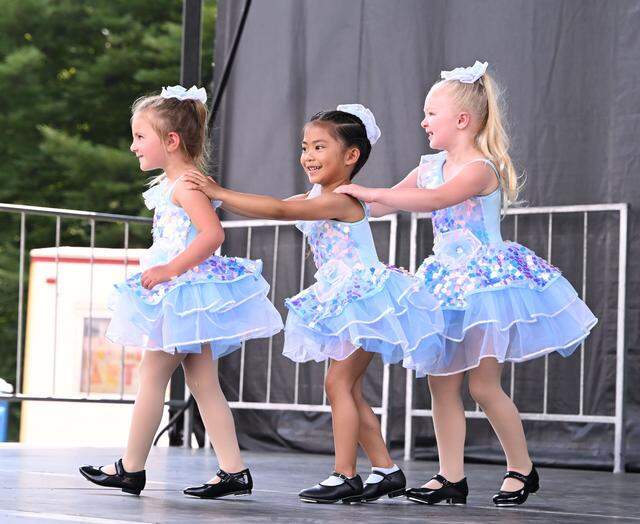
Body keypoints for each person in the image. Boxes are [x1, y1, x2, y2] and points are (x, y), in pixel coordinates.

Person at [336, 62, 597, 506]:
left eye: (430, 113)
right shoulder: (429, 166)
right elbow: (382, 208)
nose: (423, 121)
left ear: (462, 120)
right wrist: (335, 200)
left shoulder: (481, 168)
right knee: (440, 383)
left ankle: (522, 468)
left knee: (483, 385)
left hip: (485, 284)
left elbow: (434, 200)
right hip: (444, 285)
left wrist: (373, 193)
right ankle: (450, 476)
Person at [183, 104, 444, 504]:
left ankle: (345, 473)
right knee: (349, 389)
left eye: (319, 147)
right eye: (305, 147)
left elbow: (280, 209)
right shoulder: (317, 195)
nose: (308, 156)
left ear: (351, 156)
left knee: (338, 383)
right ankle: (387, 470)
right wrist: (214, 200)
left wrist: (217, 192)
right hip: (344, 298)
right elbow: (271, 205)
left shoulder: (339, 199)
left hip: (363, 297)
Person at [79, 85, 283, 499]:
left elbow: (212, 234)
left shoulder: (185, 186)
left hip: (183, 293)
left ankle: (131, 467)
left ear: (170, 141)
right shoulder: (172, 185)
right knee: (203, 384)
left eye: (140, 137)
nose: (133, 145)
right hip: (185, 295)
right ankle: (233, 470)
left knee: (151, 378)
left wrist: (170, 269)